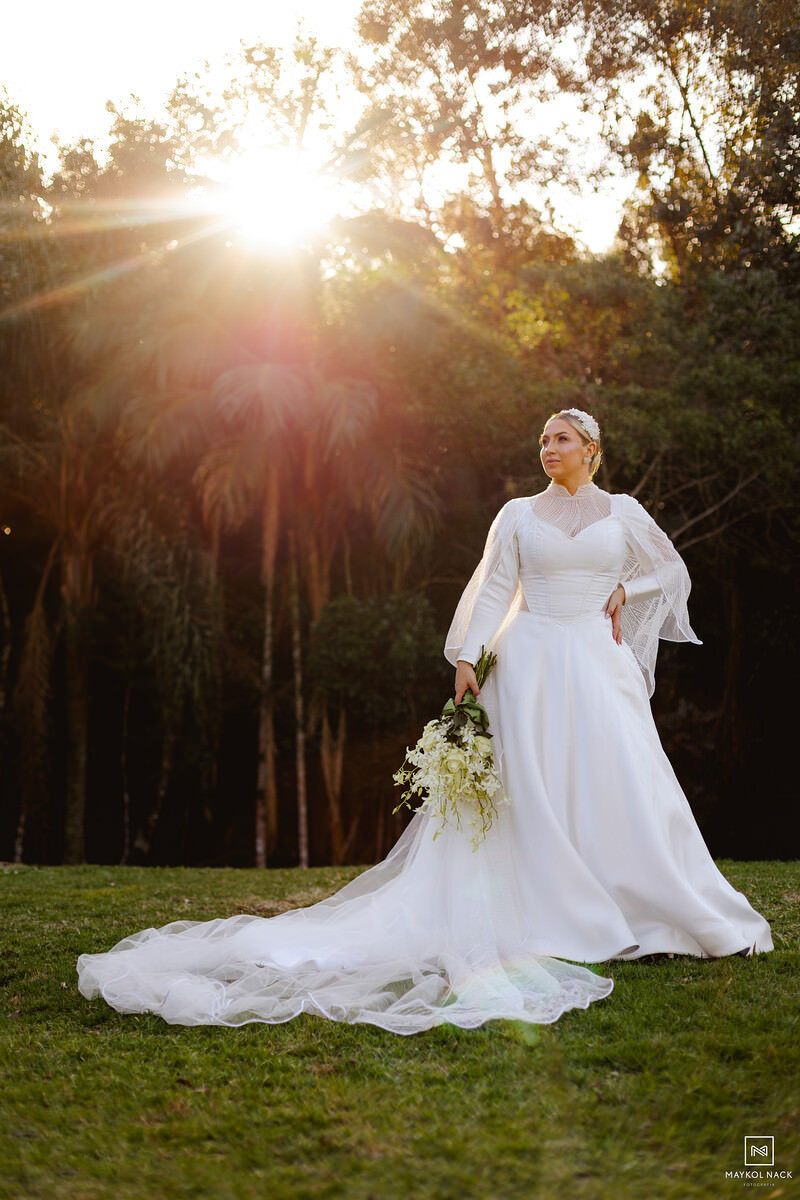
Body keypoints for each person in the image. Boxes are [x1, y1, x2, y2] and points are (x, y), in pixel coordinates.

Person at [76, 409, 771, 1034]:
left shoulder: (624, 512)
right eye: (542, 440)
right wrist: (468, 658)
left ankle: (642, 902)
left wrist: (625, 587)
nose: (547, 449)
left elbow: (670, 572)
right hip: (527, 661)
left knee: (618, 781)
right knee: (526, 786)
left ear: (591, 448)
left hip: (595, 661)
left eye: (560, 439)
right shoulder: (518, 514)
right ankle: (554, 910)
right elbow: (495, 587)